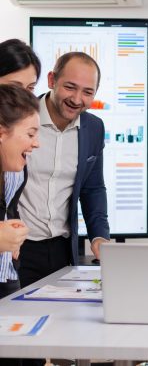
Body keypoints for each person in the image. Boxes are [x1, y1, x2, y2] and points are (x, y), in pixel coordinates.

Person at [18, 51, 110, 287]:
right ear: (51, 80)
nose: (77, 99)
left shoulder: (94, 128)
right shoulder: (20, 118)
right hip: (18, 248)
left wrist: (99, 236)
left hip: (63, 250)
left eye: (87, 92)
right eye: (70, 87)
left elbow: (93, 188)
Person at [0, 39, 42, 300]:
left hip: (7, 268)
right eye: (16, 87)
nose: (25, 97)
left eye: (31, 88)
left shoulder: (14, 148)